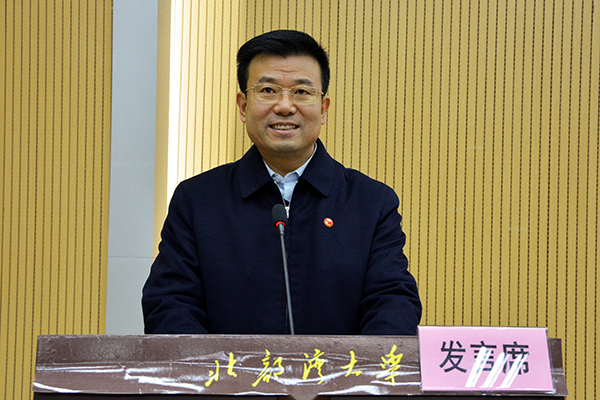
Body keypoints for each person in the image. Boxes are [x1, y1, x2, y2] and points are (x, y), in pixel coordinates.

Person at [142, 29, 421, 335]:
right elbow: (170, 304)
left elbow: (393, 303)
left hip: (339, 368)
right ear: (243, 106)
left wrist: (354, 365)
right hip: (228, 368)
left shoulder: (370, 202)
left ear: (323, 109)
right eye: (268, 90)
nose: (285, 106)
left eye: (301, 92)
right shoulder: (198, 200)